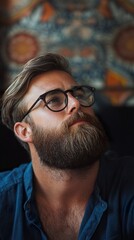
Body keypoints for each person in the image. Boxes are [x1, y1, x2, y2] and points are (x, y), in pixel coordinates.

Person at [0, 53, 134, 240]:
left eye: (78, 94)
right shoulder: (4, 198)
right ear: (24, 131)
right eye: (54, 100)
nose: (76, 103)